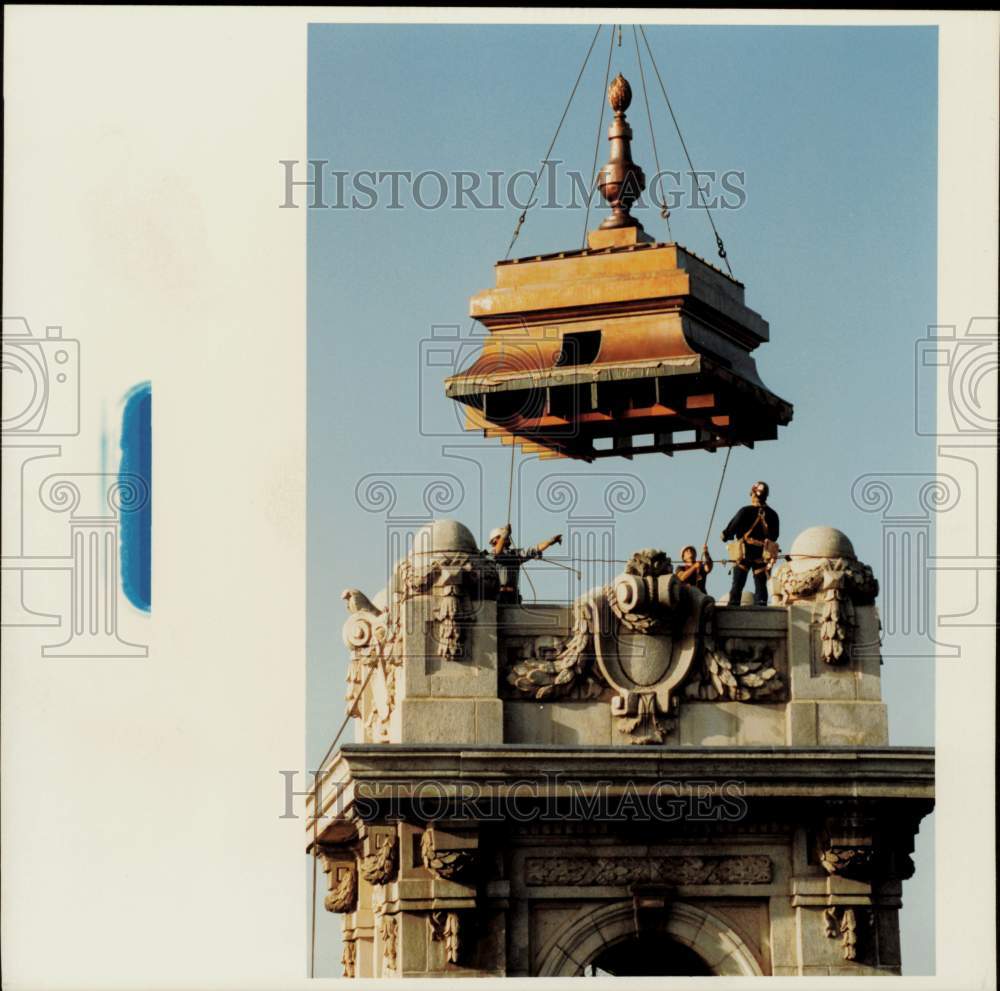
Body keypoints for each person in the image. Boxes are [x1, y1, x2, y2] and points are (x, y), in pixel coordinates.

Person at [721, 481, 780, 607]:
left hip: (744, 553)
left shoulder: (745, 511)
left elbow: (733, 527)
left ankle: (732, 608)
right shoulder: (773, 514)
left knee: (738, 583)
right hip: (761, 554)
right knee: (760, 584)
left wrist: (725, 535)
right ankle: (761, 608)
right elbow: (775, 535)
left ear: (753, 494)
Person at [487, 524, 562, 605]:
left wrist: (550, 541)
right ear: (495, 541)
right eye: (502, 537)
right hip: (499, 596)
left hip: (513, 597)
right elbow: (497, 553)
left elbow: (533, 549)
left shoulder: (515, 554)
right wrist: (504, 536)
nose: (507, 538)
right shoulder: (489, 555)